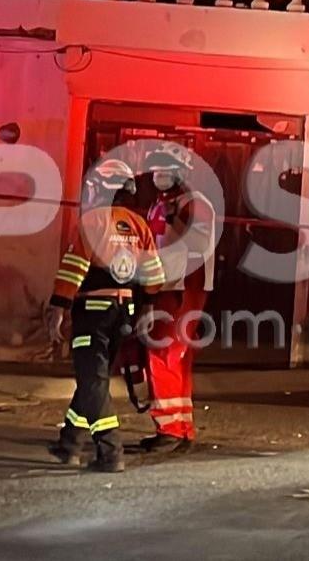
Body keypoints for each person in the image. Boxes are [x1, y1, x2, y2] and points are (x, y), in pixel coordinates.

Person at [45, 158, 165, 473]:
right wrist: (147, 310)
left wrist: (58, 307)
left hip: (93, 314)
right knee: (92, 380)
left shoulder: (93, 221)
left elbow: (74, 269)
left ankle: (110, 450)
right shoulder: (139, 225)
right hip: (123, 313)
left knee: (93, 380)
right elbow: (153, 274)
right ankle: (69, 442)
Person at [139, 144, 217, 454]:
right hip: (166, 285)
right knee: (176, 357)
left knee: (164, 354)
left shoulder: (195, 204)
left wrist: (175, 220)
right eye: (156, 169)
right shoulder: (161, 204)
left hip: (183, 287)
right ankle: (181, 428)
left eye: (165, 169)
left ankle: (170, 429)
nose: (159, 175)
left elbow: (198, 243)